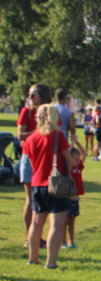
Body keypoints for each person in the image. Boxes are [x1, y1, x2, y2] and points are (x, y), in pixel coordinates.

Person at [22, 102, 73, 268]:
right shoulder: (58, 136)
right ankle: (51, 262)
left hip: (37, 182)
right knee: (56, 225)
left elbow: (31, 162)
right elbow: (68, 159)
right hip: (56, 183)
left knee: (36, 223)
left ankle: (32, 257)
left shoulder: (30, 139)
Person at [17, 83, 50, 249]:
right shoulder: (26, 112)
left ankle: (38, 235)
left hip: (44, 157)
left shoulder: (49, 112)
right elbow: (20, 135)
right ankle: (29, 237)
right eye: (29, 95)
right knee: (31, 198)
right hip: (29, 156)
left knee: (44, 198)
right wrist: (38, 131)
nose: (30, 98)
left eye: (33, 95)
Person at [64, 145, 85, 249]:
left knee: (72, 222)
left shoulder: (79, 167)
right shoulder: (68, 169)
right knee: (65, 222)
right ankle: (63, 242)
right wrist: (71, 144)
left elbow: (84, 153)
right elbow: (66, 154)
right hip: (67, 199)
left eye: (78, 159)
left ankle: (71, 242)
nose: (78, 161)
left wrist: (76, 141)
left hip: (75, 199)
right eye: (75, 159)